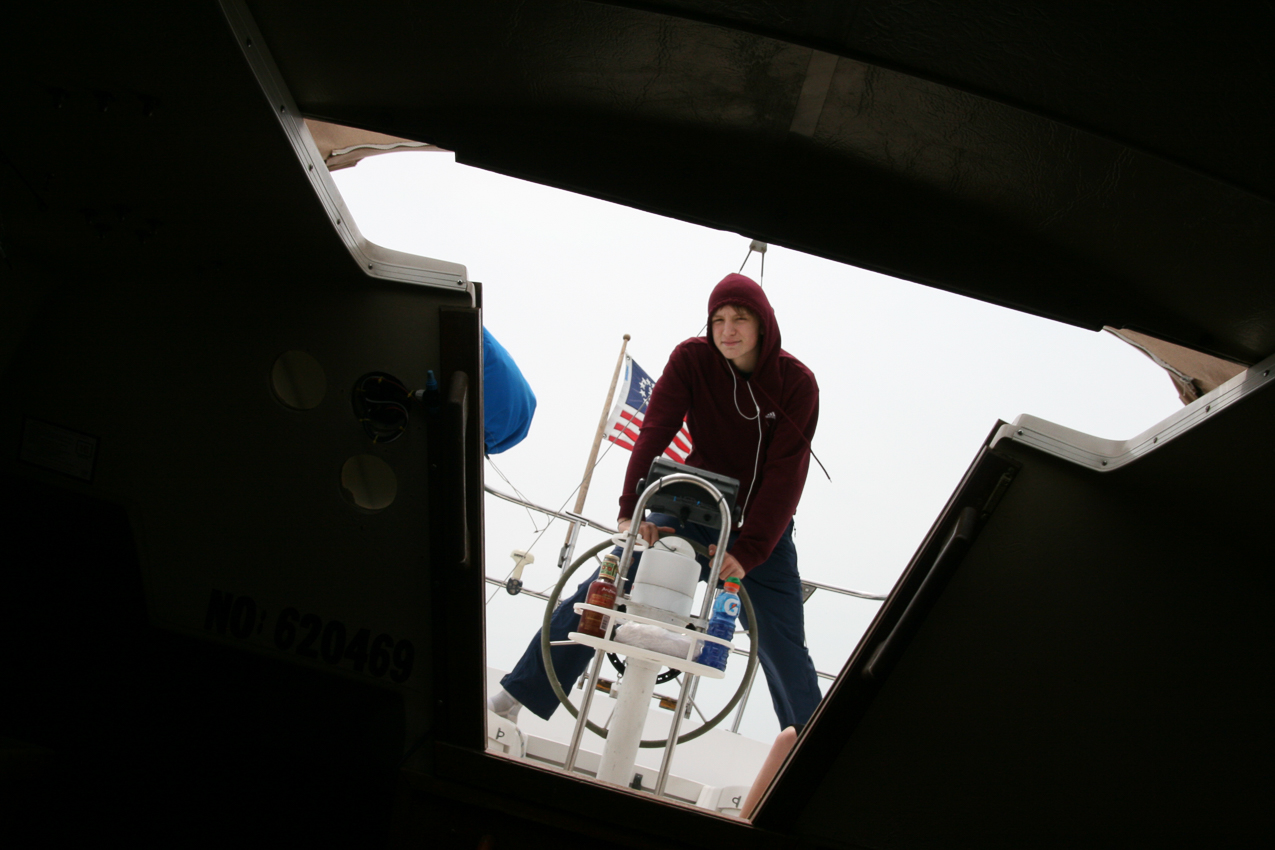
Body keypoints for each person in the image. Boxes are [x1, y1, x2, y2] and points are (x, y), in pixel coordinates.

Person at [490, 273, 822, 732]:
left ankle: (806, 745)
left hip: (758, 529)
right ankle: (516, 695)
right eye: (718, 319)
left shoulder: (797, 384)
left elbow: (787, 477)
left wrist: (748, 552)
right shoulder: (692, 359)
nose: (727, 330)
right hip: (692, 505)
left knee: (781, 641)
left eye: (740, 319)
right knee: (604, 583)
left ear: (763, 324)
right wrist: (633, 511)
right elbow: (655, 431)